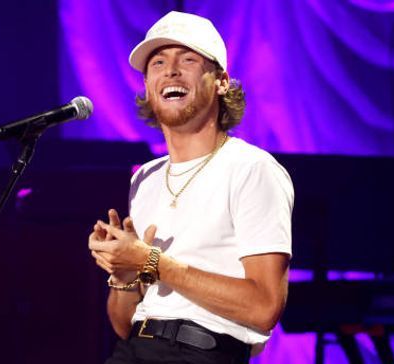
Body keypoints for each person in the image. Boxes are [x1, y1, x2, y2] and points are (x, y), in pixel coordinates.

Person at [88, 11, 294, 364]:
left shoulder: (252, 169)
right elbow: (125, 324)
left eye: (188, 59)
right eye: (157, 63)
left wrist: (151, 260)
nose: (170, 70)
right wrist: (123, 273)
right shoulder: (145, 179)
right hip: (134, 351)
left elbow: (264, 307)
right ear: (149, 89)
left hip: (202, 353)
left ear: (221, 82)